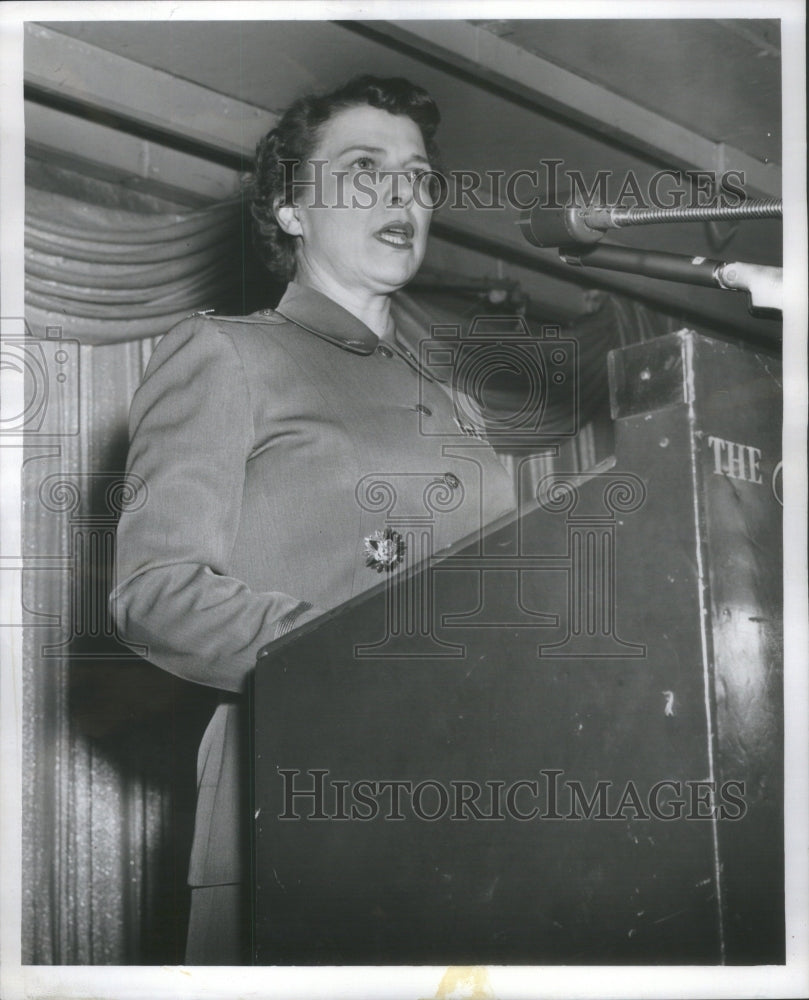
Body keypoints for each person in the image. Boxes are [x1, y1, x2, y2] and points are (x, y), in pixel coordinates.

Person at [111, 75, 516, 965]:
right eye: (363, 167)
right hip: (303, 778)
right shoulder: (228, 354)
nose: (400, 193)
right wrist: (352, 650)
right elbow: (155, 592)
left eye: (416, 175)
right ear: (291, 208)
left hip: (473, 788)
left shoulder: (456, 409)